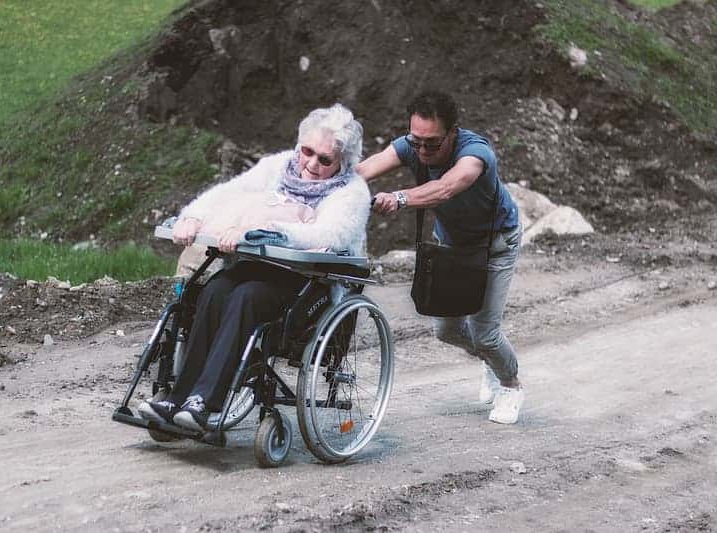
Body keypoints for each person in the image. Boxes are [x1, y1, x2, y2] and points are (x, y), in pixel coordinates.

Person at [138, 103, 370, 431]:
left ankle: (205, 401)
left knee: (246, 297)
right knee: (215, 290)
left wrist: (270, 232)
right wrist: (193, 215)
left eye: (325, 160)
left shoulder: (352, 192)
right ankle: (178, 397)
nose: (311, 164)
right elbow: (231, 192)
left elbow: (327, 234)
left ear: (342, 163)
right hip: (258, 264)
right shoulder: (278, 166)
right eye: (307, 151)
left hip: (306, 279)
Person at [357, 91, 524, 424]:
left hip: (495, 246)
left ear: (452, 133)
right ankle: (491, 361)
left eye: (432, 144)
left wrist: (401, 198)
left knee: (484, 333)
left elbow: (447, 187)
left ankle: (511, 385)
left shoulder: (475, 153)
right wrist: (318, 183)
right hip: (451, 245)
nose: (421, 151)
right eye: (415, 141)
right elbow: (364, 168)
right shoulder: (413, 144)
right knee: (446, 330)